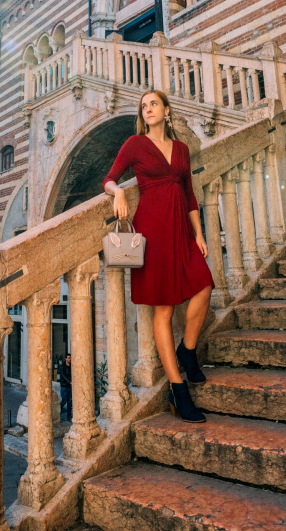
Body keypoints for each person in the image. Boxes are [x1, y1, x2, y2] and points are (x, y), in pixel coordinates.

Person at [102, 89, 214, 423]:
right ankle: (180, 392)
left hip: (181, 230)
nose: (148, 109)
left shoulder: (181, 149)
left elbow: (190, 194)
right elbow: (108, 179)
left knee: (204, 287)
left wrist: (199, 232)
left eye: (153, 104)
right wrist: (119, 191)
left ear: (166, 111)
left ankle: (188, 350)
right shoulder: (134, 145)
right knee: (162, 310)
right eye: (143, 106)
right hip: (152, 232)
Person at [58, 353, 72, 421]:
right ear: (66, 359)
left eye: (70, 358)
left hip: (70, 386)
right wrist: (69, 381)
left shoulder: (71, 366)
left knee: (69, 402)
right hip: (64, 386)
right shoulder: (62, 366)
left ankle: (69, 416)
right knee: (64, 401)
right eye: (69, 358)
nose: (70, 359)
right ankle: (58, 414)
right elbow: (63, 375)